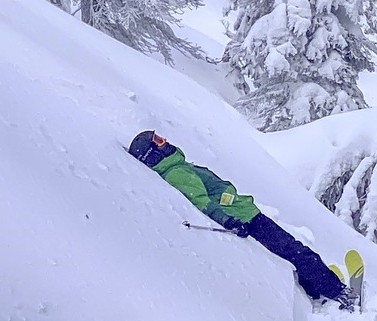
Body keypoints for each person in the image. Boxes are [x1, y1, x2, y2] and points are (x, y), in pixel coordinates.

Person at [128, 130, 356, 310]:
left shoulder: (178, 166)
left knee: (293, 253)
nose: (164, 140)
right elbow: (201, 202)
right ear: (152, 153)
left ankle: (316, 291)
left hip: (245, 213)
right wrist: (230, 222)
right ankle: (340, 293)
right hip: (246, 219)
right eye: (157, 140)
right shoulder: (177, 172)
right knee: (298, 252)